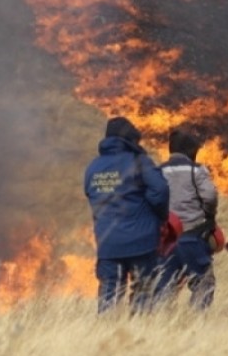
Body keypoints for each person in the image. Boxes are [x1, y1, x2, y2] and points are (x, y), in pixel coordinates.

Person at [84, 116, 170, 314]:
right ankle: (139, 333)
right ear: (131, 139)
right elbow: (160, 191)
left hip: (108, 243)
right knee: (143, 290)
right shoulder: (139, 162)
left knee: (108, 294)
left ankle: (105, 337)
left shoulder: (93, 168)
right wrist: (160, 217)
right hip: (141, 242)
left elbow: (91, 196)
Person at [156, 127, 220, 310]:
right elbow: (209, 197)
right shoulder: (196, 171)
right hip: (191, 237)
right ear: (191, 151)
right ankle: (195, 322)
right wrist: (209, 215)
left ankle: (160, 324)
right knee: (203, 282)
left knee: (164, 285)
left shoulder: (159, 171)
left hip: (166, 240)